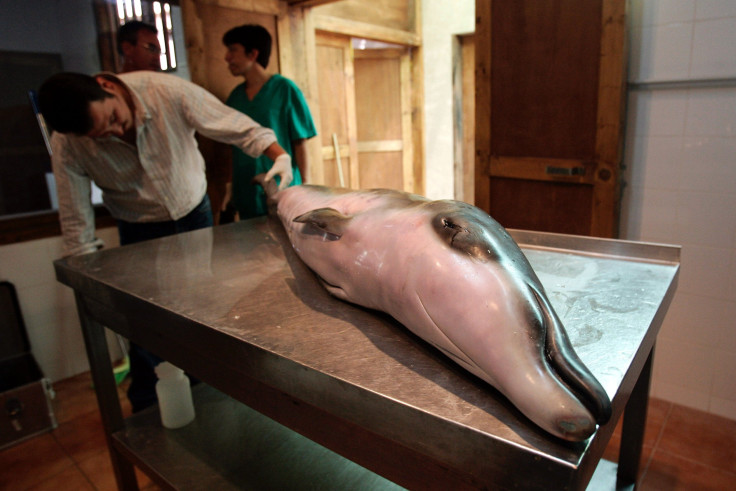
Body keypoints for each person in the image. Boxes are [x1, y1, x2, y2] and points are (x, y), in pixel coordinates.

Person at [38, 70, 292, 411]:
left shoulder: (165, 91)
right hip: (139, 226)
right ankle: (148, 406)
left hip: (193, 211)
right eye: (102, 135)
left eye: (113, 118)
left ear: (107, 86)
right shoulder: (67, 144)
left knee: (203, 304)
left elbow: (236, 125)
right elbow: (75, 222)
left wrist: (278, 154)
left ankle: (209, 390)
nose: (115, 131)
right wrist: (87, 280)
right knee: (146, 320)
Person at [222, 24, 317, 220]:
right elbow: (232, 148)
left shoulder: (285, 89)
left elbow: (300, 143)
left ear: (253, 53)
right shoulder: (235, 98)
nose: (227, 57)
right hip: (245, 190)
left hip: (282, 187)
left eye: (233, 50)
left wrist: (306, 188)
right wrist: (230, 186)